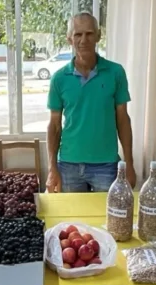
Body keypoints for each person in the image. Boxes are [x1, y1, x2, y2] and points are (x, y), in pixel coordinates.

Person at [46, 12, 135, 193]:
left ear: (98, 36)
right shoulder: (59, 78)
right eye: (78, 34)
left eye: (89, 34)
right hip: (69, 165)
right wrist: (52, 168)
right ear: (70, 39)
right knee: (71, 212)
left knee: (107, 212)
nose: (83, 40)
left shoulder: (116, 72)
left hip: (107, 165)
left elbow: (123, 120)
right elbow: (54, 126)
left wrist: (129, 164)